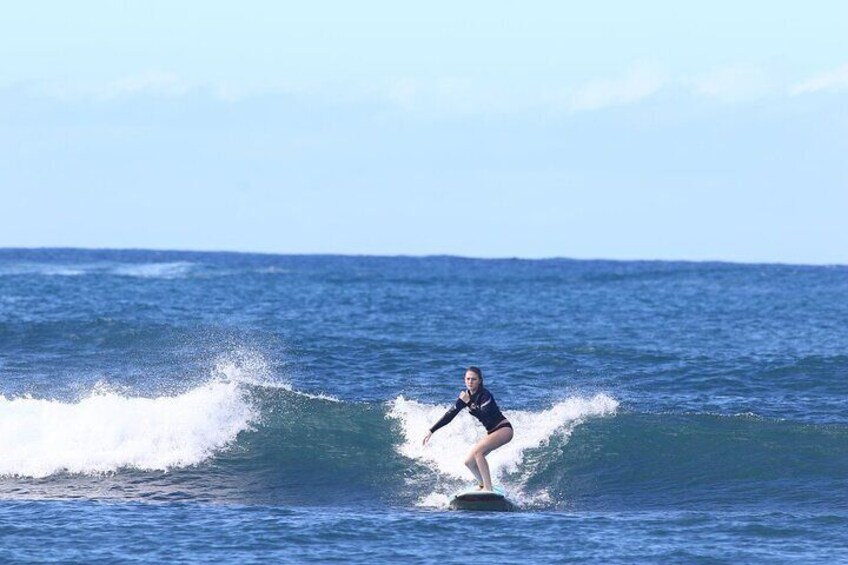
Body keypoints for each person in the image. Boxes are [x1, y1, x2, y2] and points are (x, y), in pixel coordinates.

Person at [422, 366, 513, 492]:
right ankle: (482, 485)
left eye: (474, 379)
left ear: (480, 380)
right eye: (468, 379)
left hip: (503, 429)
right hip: (492, 431)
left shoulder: (486, 395)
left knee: (478, 453)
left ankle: (488, 488)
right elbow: (450, 415)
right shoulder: (466, 396)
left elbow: (485, 416)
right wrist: (431, 430)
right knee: (469, 462)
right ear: (464, 380)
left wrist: (469, 403)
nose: (470, 382)